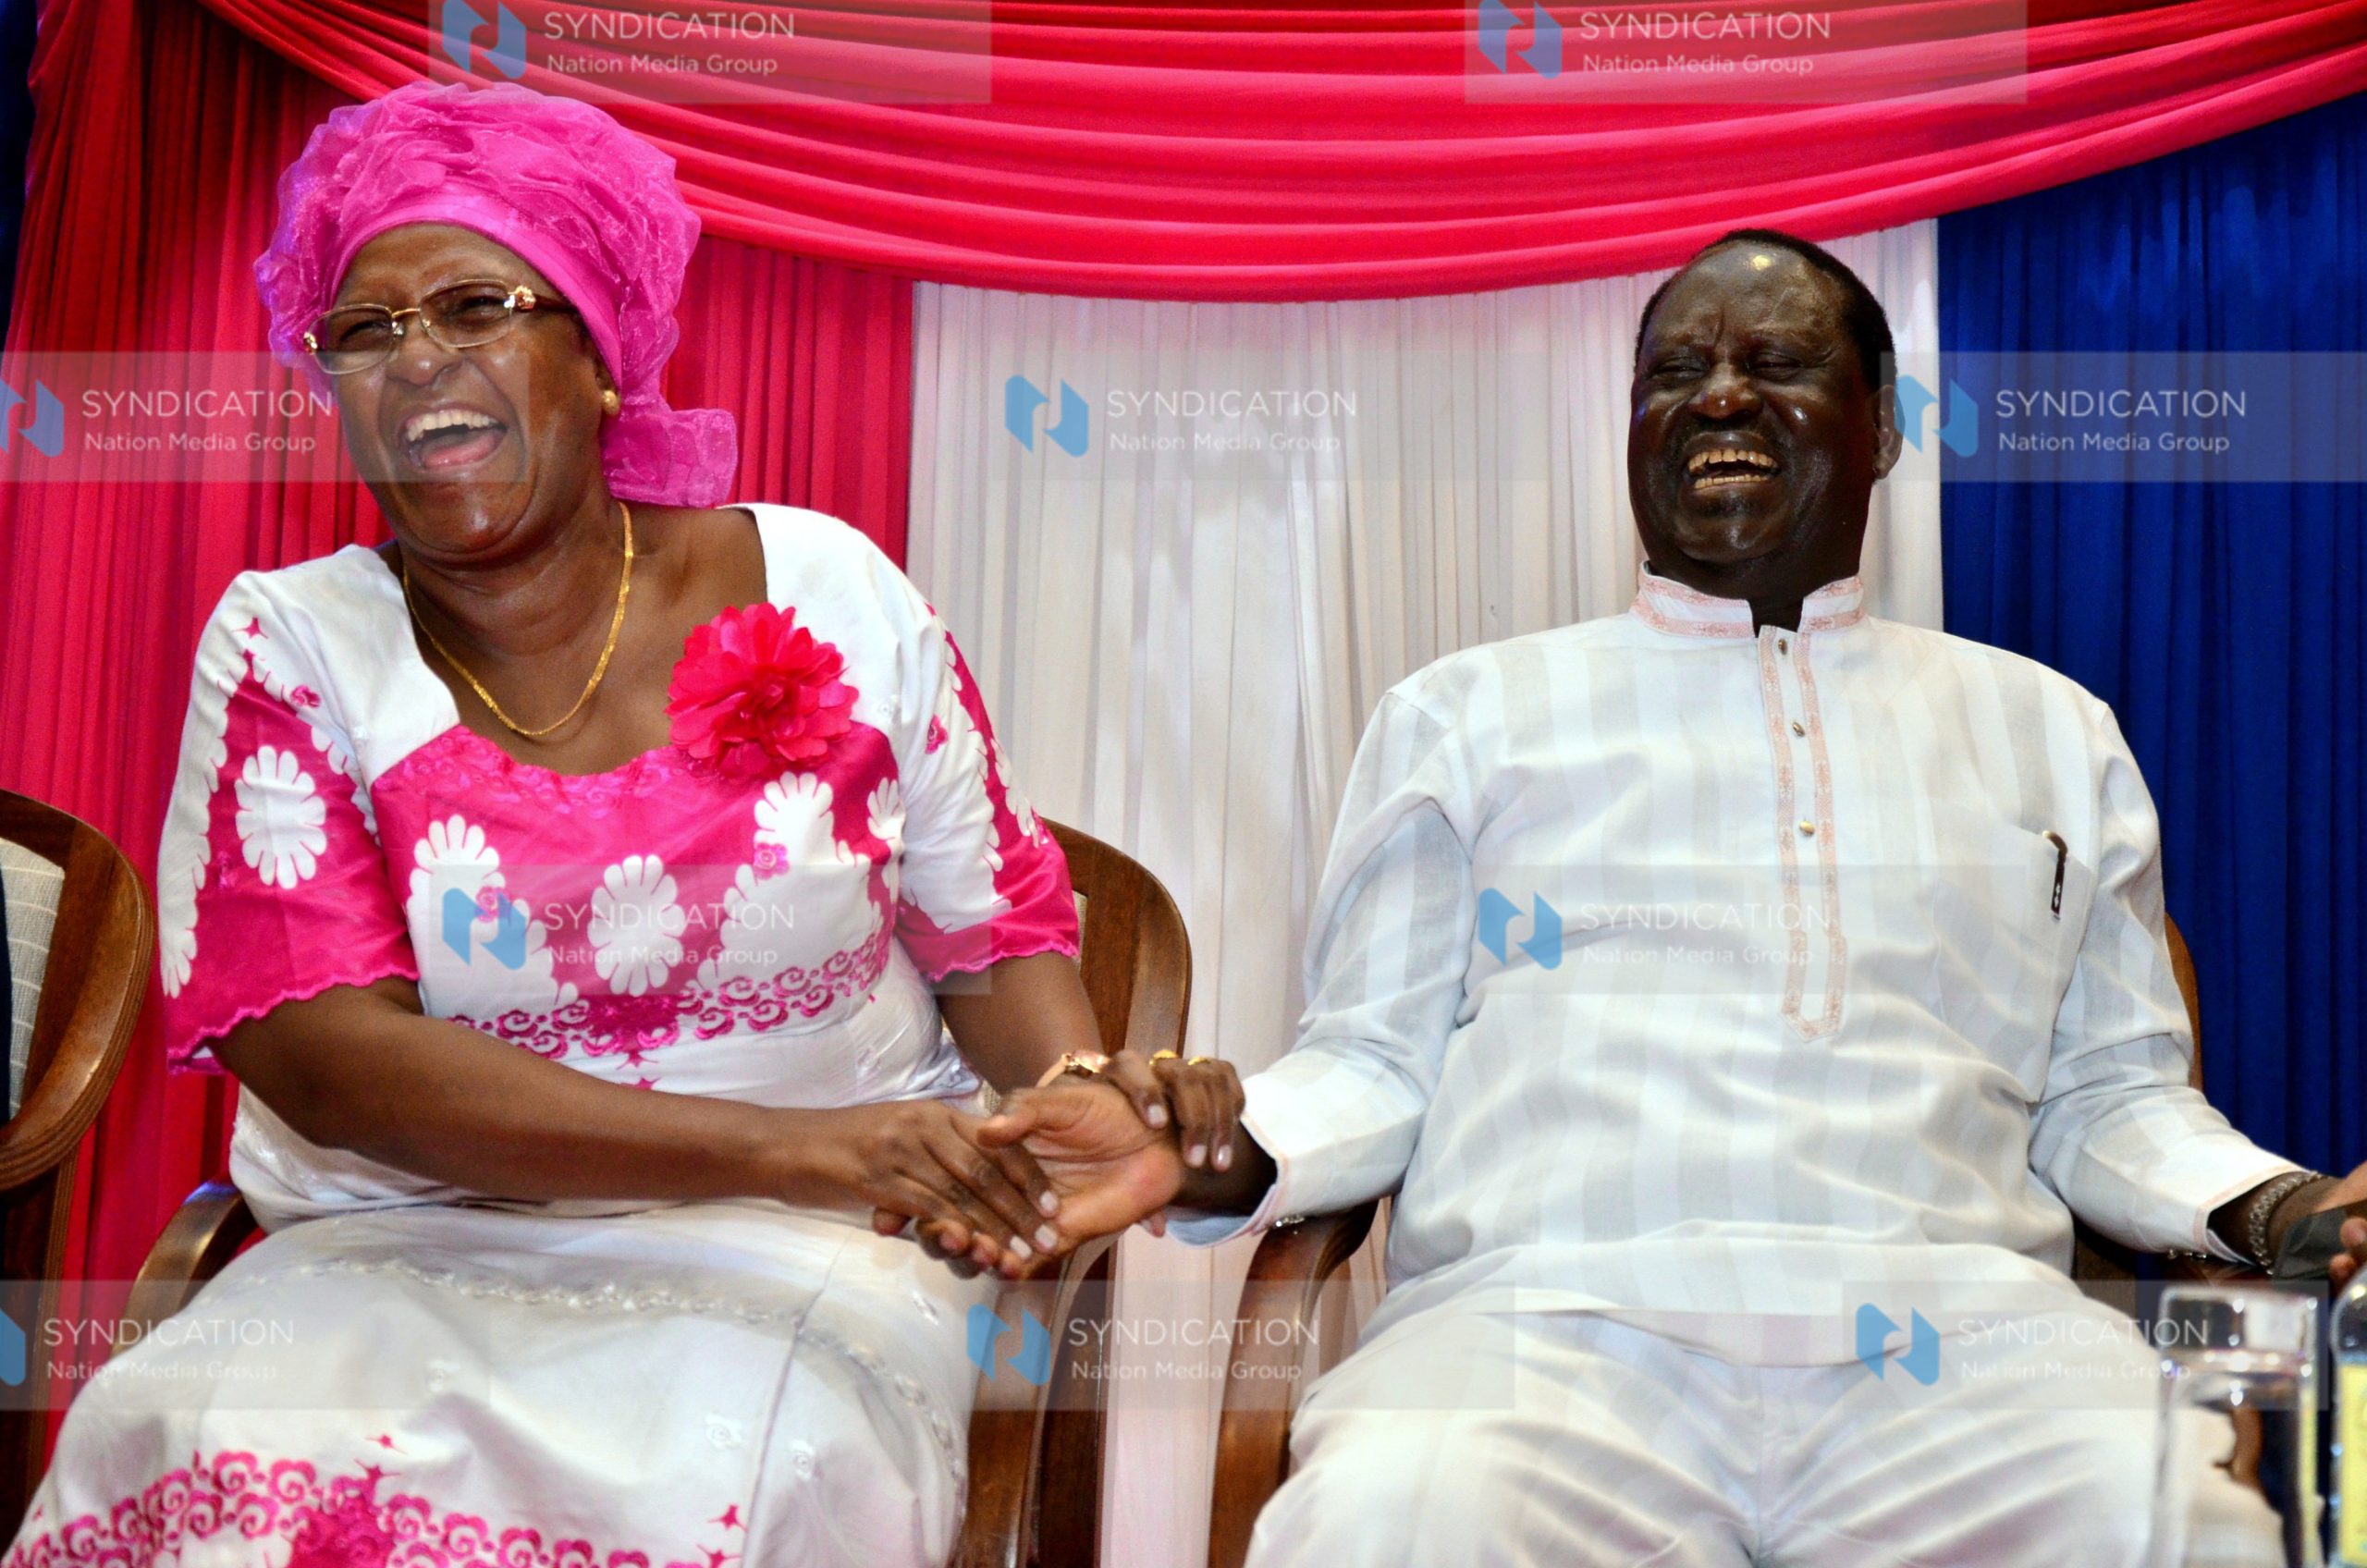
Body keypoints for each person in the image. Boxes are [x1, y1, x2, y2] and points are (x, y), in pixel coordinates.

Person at [985, 230, 2367, 1567]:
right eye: (1674, 372)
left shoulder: (2052, 730)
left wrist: (2277, 1208)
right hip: (1545, 1330)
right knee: (1389, 1521)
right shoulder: (1467, 716)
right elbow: (1372, 1060)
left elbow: (2111, 1097)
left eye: (1776, 359)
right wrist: (1215, 1146)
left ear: (1881, 427)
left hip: (1967, 1339)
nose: (1718, 394)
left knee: (2171, 1525)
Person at [5, 81, 1224, 1568]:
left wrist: (1083, 1094)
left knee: (719, 1471)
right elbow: (328, 1055)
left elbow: (991, 940)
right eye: (366, 331)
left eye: (473, 304)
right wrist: (805, 1150)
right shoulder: (291, 641)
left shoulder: (834, 591)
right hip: (394, 1248)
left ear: (599, 354)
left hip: (808, 1266)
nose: (417, 361)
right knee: (177, 1435)